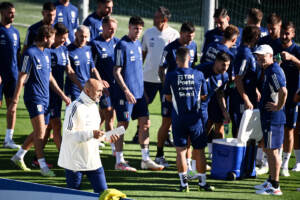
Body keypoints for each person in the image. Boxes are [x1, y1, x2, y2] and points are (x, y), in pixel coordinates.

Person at [10, 25, 70, 176]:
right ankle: (43, 166)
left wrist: (62, 95)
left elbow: (50, 77)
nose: (53, 40)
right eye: (52, 37)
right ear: (45, 38)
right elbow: (22, 76)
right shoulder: (29, 53)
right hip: (34, 97)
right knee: (41, 132)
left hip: (46, 98)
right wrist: (15, 101)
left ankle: (19, 156)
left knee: (40, 131)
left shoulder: (47, 53)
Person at [113, 16, 164, 171]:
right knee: (122, 125)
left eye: (140, 29)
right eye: (135, 28)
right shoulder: (122, 45)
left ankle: (145, 159)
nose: (138, 32)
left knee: (145, 123)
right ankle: (119, 161)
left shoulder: (137, 44)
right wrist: (126, 91)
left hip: (139, 94)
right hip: (125, 95)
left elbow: (137, 70)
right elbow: (116, 71)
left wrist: (141, 91)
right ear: (129, 27)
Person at [164, 47, 214, 192]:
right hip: (196, 119)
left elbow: (167, 97)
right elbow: (204, 95)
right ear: (190, 59)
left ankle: (184, 184)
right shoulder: (199, 74)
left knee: (180, 151)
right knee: (199, 151)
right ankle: (202, 183)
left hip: (178, 118)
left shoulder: (171, 75)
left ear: (177, 59)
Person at [58, 78, 118, 194]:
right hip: (75, 162)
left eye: (102, 91)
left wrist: (107, 137)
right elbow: (68, 135)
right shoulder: (74, 107)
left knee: (103, 194)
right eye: (98, 91)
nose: (101, 94)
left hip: (93, 161)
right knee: (73, 196)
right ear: (87, 91)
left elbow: (95, 135)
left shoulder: (94, 106)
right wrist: (92, 134)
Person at [139, 6, 179, 166]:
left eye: (157, 17)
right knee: (143, 106)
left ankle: (167, 135)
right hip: (148, 77)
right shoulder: (148, 33)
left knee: (166, 109)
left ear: (164, 19)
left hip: (165, 80)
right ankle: (138, 133)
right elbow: (143, 53)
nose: (154, 19)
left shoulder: (174, 34)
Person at [157, 22, 197, 168]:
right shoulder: (169, 49)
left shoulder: (193, 46)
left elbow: (193, 67)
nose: (190, 40)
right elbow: (161, 69)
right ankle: (159, 155)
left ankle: (187, 158)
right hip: (171, 93)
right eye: (188, 36)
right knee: (166, 123)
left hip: (186, 94)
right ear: (181, 34)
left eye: (192, 37)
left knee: (188, 124)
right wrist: (166, 88)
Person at [254, 44, 287, 196]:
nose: (259, 58)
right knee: (269, 149)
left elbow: (283, 91)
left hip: (273, 118)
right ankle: (271, 181)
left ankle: (275, 185)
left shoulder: (273, 70)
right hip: (270, 117)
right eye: (258, 56)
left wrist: (278, 106)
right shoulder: (268, 69)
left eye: (262, 56)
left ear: (270, 55)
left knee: (273, 151)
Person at [195, 52, 230, 172]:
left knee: (202, 134)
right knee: (194, 135)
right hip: (194, 107)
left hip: (205, 106)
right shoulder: (200, 70)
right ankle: (190, 163)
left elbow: (220, 93)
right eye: (223, 65)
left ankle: (197, 162)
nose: (225, 68)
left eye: (227, 66)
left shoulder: (224, 76)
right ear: (216, 62)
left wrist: (225, 111)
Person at [90, 16, 119, 154]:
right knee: (109, 115)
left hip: (115, 86)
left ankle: (94, 138)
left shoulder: (117, 43)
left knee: (104, 117)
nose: (112, 31)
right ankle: (114, 147)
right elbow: (91, 66)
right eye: (110, 28)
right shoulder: (94, 44)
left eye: (114, 29)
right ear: (103, 27)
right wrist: (98, 84)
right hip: (101, 86)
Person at [278, 22, 300, 176]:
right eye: (283, 33)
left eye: (288, 33)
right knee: (277, 128)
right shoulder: (275, 47)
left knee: (290, 130)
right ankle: (272, 160)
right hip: (277, 95)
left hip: (293, 95)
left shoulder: (297, 50)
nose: (285, 36)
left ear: (293, 34)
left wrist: (292, 58)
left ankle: (286, 164)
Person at [64, 25, 107, 101]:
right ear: (76, 34)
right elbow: (70, 72)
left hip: (87, 88)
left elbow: (93, 69)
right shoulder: (68, 50)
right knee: (76, 112)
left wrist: (100, 82)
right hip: (74, 89)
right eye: (81, 36)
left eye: (86, 37)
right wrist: (81, 87)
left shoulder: (87, 49)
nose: (83, 39)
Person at [232, 25, 261, 136]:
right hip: (241, 98)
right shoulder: (244, 53)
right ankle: (239, 153)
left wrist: (255, 89)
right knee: (241, 129)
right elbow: (238, 79)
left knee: (249, 130)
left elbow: (248, 75)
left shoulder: (249, 51)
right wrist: (246, 99)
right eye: (258, 36)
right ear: (254, 37)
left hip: (249, 94)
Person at [0, 2, 21, 149]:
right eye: (9, 12)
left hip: (13, 75)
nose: (12, 15)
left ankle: (8, 139)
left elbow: (18, 54)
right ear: (2, 12)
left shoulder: (16, 32)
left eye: (13, 12)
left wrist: (20, 74)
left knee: (12, 107)